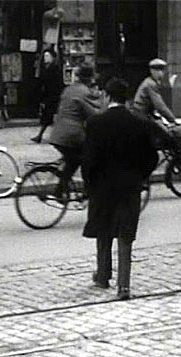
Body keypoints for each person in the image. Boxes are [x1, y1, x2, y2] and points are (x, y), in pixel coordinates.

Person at [82, 77, 158, 300]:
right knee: (125, 235)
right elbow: (151, 157)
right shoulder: (139, 123)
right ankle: (124, 285)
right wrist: (139, 176)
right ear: (126, 98)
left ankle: (103, 275)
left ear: (107, 96)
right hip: (129, 186)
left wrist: (90, 184)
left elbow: (88, 160)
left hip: (103, 186)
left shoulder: (96, 124)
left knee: (104, 230)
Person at [47, 63, 103, 197]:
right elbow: (95, 114)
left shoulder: (69, 89)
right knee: (88, 158)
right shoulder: (84, 92)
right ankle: (86, 189)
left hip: (58, 132)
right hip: (71, 134)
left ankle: (61, 189)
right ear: (90, 79)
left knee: (72, 160)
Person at [31, 48, 64, 143]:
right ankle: (41, 136)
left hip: (53, 96)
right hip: (48, 96)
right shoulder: (45, 68)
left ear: (52, 58)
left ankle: (42, 136)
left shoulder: (55, 69)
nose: (45, 58)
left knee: (49, 117)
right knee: (48, 117)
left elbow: (56, 84)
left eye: (47, 56)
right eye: (44, 56)